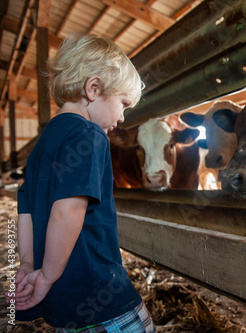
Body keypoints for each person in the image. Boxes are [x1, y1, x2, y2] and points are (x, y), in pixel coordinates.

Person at [7, 34, 156, 332]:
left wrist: (28, 265)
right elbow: (67, 211)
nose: (122, 117)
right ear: (94, 88)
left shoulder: (41, 146)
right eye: (123, 104)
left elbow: (25, 211)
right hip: (98, 292)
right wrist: (47, 275)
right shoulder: (89, 135)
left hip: (63, 303)